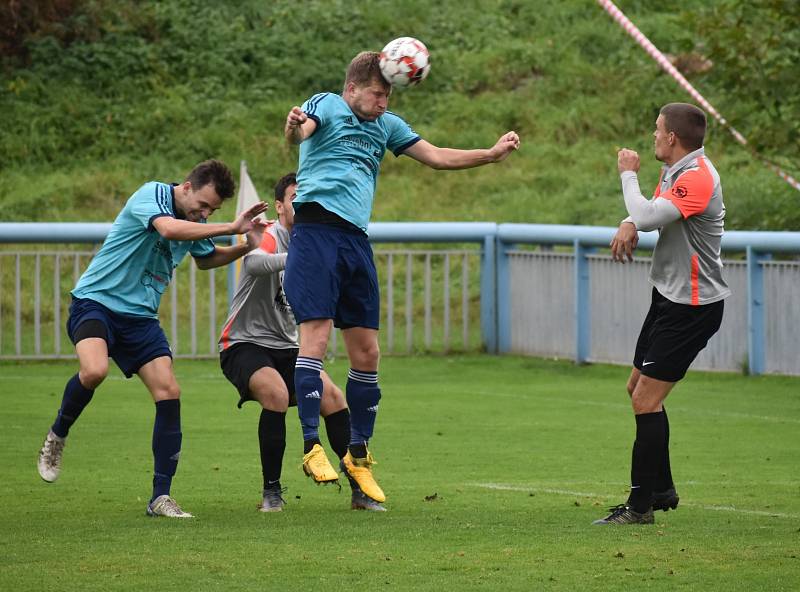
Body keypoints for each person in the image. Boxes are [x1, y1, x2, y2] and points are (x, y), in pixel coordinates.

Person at [283, 51, 521, 507]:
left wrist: (490, 155)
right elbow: (302, 130)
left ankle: (357, 453)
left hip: (354, 241)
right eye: (377, 93)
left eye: (389, 94)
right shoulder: (326, 104)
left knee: (368, 351)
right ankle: (312, 445)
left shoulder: (387, 125)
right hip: (315, 234)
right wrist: (294, 125)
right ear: (352, 89)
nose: (383, 102)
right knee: (315, 338)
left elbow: (435, 156)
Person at [36, 159, 268, 518]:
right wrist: (232, 226)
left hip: (140, 318)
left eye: (212, 210)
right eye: (202, 205)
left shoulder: (198, 221)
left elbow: (205, 260)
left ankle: (160, 497)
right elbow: (169, 230)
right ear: (187, 186)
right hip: (96, 302)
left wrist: (245, 245)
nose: (203, 213)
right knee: (95, 370)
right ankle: (57, 434)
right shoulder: (153, 194)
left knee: (169, 392)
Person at [594, 103, 730, 525]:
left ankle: (639, 507)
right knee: (637, 388)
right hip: (668, 297)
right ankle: (662, 488)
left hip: (693, 306)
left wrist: (627, 173)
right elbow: (654, 211)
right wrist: (629, 221)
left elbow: (649, 213)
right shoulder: (678, 171)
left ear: (672, 137)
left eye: (657, 130)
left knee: (645, 399)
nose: (652, 136)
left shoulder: (699, 176)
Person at [219, 173, 384, 512]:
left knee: (334, 397)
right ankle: (271, 493)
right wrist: (296, 261)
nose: (302, 203)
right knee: (276, 394)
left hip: (287, 346)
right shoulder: (271, 235)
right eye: (295, 197)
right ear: (279, 206)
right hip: (243, 343)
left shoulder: (317, 244)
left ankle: (358, 489)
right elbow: (252, 261)